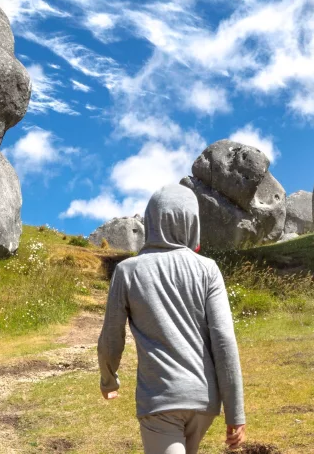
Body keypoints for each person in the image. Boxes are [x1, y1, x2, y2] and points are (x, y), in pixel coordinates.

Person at [98, 184, 247, 454]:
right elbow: (224, 340)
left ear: (151, 220)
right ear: (192, 222)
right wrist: (235, 411)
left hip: (161, 401)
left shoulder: (128, 271)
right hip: (204, 401)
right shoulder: (207, 269)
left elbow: (112, 335)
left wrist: (109, 379)